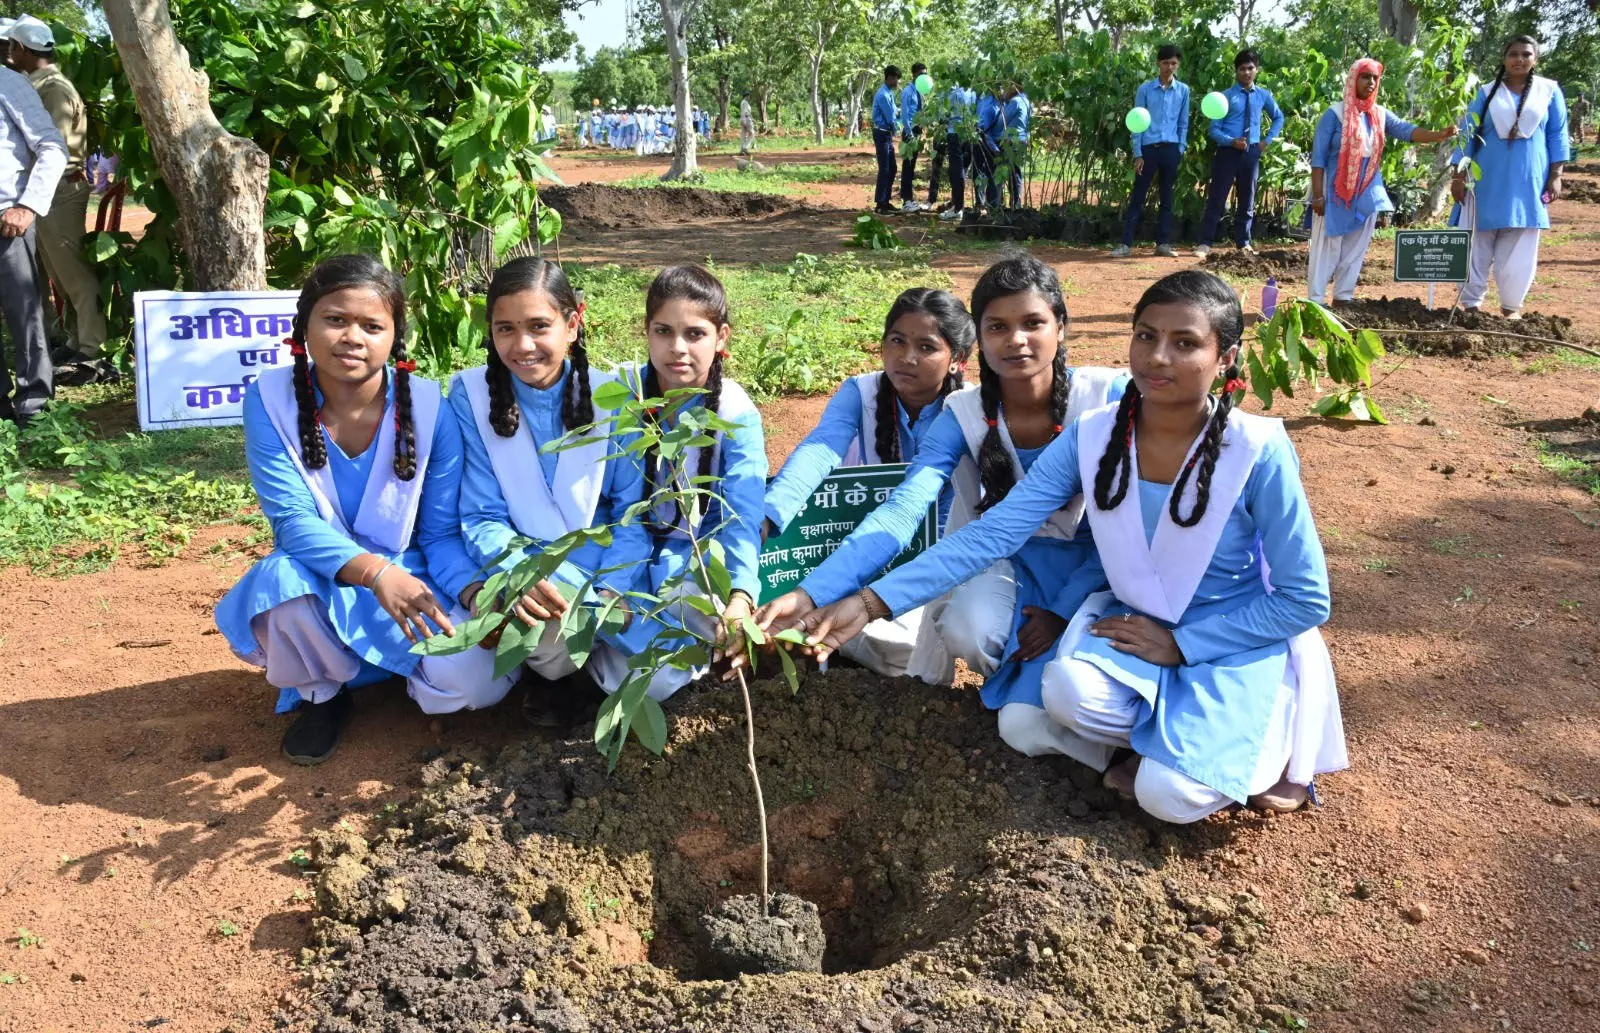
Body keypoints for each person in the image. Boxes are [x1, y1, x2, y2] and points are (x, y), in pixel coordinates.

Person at [794, 270, 1345, 822]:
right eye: (1146, 336)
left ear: (1224, 358)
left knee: (1167, 798)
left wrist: (1183, 645)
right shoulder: (1097, 433)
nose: (1158, 358)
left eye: (1185, 344)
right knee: (1031, 719)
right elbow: (995, 531)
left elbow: (1305, 600)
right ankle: (1156, 747)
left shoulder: (1257, 450)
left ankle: (1269, 733)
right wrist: (866, 603)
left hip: (1226, 635)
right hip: (1135, 619)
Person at [752, 256, 1127, 758]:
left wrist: (1062, 609)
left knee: (1056, 697)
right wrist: (812, 589)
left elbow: (1135, 526)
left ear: (1061, 325)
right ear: (983, 337)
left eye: (1033, 323)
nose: (1016, 340)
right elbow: (903, 508)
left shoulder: (1107, 401)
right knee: (1000, 687)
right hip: (996, 563)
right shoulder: (964, 415)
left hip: (1103, 573)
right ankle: (1049, 697)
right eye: (999, 326)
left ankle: (1105, 714)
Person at [214, 255, 507, 764]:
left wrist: (472, 590)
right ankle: (323, 695)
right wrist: (377, 576)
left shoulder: (429, 409)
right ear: (305, 323)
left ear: (395, 338)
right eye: (335, 319)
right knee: (280, 585)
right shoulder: (270, 399)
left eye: (373, 325)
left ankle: (395, 670)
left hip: (415, 576)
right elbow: (292, 523)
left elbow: (439, 533)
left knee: (479, 689)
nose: (353, 337)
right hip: (323, 571)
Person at [447, 257, 651, 724]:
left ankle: (578, 669)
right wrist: (519, 577)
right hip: (527, 570)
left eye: (540, 326)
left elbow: (631, 513)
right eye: (506, 329)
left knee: (657, 679)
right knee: (546, 624)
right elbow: (480, 515)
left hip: (606, 568)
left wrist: (615, 587)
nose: (523, 346)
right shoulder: (471, 398)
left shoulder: (612, 398)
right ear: (490, 331)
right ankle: (552, 676)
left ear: (572, 324)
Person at [761, 289, 976, 678]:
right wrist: (770, 515)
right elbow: (818, 451)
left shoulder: (967, 411)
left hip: (932, 560)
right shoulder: (860, 393)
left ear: (958, 360)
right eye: (897, 341)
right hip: (858, 542)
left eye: (926, 347)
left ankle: (834, 626)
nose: (906, 357)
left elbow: (909, 507)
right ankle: (829, 625)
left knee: (906, 653)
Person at [607, 265, 766, 701]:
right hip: (615, 552)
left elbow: (743, 514)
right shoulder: (619, 395)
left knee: (696, 606)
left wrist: (740, 594)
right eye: (663, 331)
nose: (677, 349)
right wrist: (612, 585)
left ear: (722, 337)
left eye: (695, 334)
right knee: (592, 615)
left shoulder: (734, 411)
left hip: (691, 557)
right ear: (646, 331)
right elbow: (606, 504)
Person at [7, 17, 110, 383]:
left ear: (21, 49)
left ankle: (92, 347)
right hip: (50, 190)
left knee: (73, 272)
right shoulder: (41, 84)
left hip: (58, 189)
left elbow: (52, 148)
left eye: (11, 47)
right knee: (60, 273)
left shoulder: (50, 88)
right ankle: (75, 339)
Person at [1307, 59, 1457, 305]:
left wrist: (1438, 134)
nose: (1371, 82)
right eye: (1366, 77)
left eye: (1375, 78)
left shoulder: (1378, 113)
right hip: (1335, 189)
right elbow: (1319, 158)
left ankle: (1343, 297)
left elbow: (1405, 130)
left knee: (1357, 245)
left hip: (1366, 187)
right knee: (1328, 245)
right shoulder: (1334, 114)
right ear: (1353, 79)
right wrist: (1318, 195)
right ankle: (1316, 300)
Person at [1449, 36, 1569, 320]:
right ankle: (1471, 304)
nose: (1519, 59)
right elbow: (1468, 133)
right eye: (1513, 54)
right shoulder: (1486, 92)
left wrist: (1556, 175)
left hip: (1527, 180)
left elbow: (1557, 134)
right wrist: (1457, 176)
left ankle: (1511, 307)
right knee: (1477, 240)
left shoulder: (1549, 91)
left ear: (1535, 59)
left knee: (1520, 242)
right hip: (1485, 178)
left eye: (1526, 54)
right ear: (1504, 59)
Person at [0, 39, 65, 427]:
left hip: (7, 218)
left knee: (24, 316)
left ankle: (34, 408)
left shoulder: (7, 82)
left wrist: (27, 206)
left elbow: (51, 146)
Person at [1195, 50, 1284, 258]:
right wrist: (1230, 141)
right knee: (1217, 197)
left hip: (1251, 153)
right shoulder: (1226, 97)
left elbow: (1278, 117)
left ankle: (1243, 243)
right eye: (1242, 69)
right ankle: (1205, 243)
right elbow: (1214, 129)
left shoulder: (1263, 95)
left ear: (1257, 70)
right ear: (1236, 71)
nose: (1246, 72)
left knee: (1248, 198)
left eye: (1250, 68)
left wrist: (1266, 142)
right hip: (1228, 152)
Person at [1111, 45, 1190, 259]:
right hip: (1148, 150)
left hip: (1171, 148)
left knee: (1167, 196)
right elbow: (1137, 122)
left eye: (1173, 63)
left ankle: (1163, 243)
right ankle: (1125, 244)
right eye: (1165, 63)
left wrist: (1180, 147)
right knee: (1138, 196)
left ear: (1178, 64)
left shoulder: (1183, 91)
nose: (1169, 67)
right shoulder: (1145, 89)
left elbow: (1184, 122)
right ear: (1158, 63)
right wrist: (1138, 153)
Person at [930, 81, 975, 221]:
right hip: (969, 133)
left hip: (954, 133)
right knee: (963, 170)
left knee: (956, 171)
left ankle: (957, 208)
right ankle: (957, 204)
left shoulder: (948, 92)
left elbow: (941, 115)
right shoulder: (971, 91)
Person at [871, 67, 901, 214]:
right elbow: (890, 117)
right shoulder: (883, 95)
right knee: (885, 168)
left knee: (892, 167)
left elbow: (895, 111)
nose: (898, 81)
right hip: (881, 134)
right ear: (889, 78)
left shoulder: (889, 93)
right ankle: (880, 203)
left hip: (886, 134)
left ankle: (885, 200)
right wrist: (897, 128)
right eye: (896, 78)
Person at [899, 63, 928, 214]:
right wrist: (909, 134)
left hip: (917, 131)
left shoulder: (920, 92)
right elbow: (904, 116)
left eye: (925, 74)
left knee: (912, 167)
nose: (924, 76)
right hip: (909, 132)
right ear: (914, 75)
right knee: (907, 167)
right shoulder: (907, 92)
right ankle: (906, 200)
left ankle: (909, 198)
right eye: (921, 74)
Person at [999, 81, 1032, 210]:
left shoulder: (1015, 102)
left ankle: (1013, 204)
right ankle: (1016, 204)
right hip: (1022, 140)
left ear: (1015, 87)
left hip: (1012, 141)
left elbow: (1003, 120)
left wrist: (1004, 101)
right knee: (1016, 173)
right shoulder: (1027, 101)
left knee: (1009, 173)